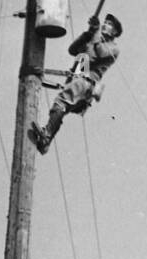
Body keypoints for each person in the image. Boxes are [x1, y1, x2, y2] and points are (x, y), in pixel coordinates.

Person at [30, 13, 122, 154]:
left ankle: (47, 135)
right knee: (62, 106)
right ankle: (46, 140)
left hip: (87, 82)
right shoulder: (94, 39)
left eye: (109, 24)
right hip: (80, 80)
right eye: (105, 22)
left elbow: (99, 53)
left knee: (61, 101)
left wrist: (95, 32)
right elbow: (73, 50)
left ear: (115, 32)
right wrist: (88, 33)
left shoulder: (113, 48)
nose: (105, 24)